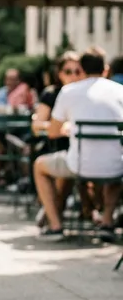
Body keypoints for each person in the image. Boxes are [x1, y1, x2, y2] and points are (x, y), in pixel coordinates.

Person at [33, 47, 123, 239]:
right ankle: (107, 222)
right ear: (106, 69)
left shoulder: (69, 92)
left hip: (80, 164)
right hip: (116, 165)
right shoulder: (120, 91)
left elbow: (53, 133)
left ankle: (55, 226)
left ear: (81, 69)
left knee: (39, 166)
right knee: (114, 167)